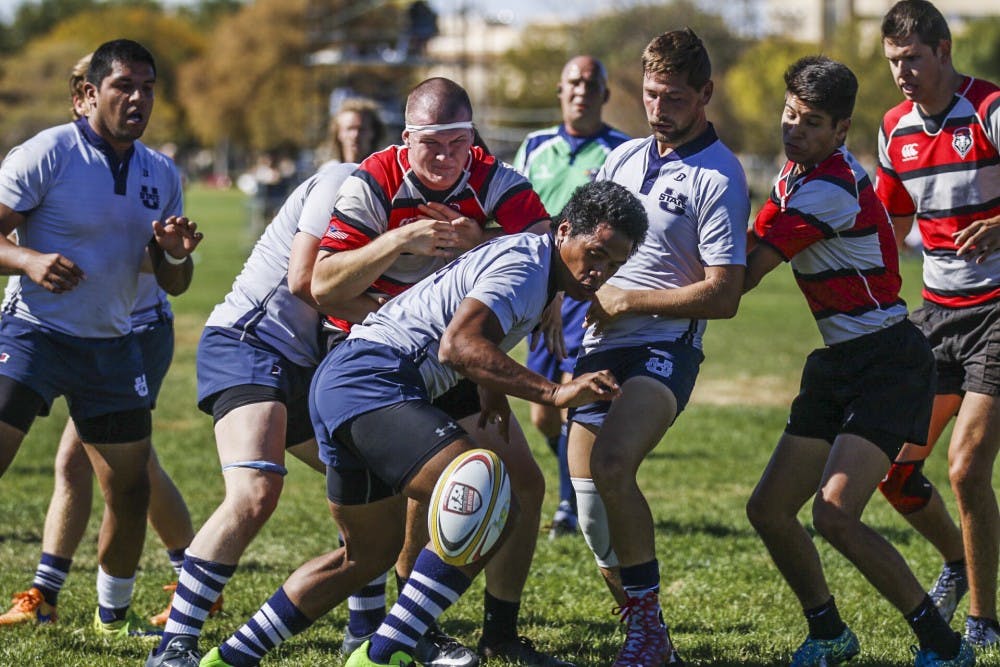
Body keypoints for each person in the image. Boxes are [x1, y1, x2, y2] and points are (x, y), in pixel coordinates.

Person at [197, 77, 574, 667]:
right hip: (373, 359)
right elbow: (320, 285)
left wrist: (484, 240)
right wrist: (403, 237)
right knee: (464, 489)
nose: (447, 156)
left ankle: (494, 633)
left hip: (451, 360)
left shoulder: (495, 180)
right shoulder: (373, 180)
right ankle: (396, 639)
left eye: (458, 142)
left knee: (519, 482)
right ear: (406, 139)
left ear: (473, 137)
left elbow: (550, 243)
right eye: (431, 144)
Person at [744, 54, 974, 667]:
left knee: (834, 515)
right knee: (768, 510)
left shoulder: (828, 188)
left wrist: (639, 284)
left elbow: (742, 274)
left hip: (887, 361)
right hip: (838, 361)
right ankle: (828, 632)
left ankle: (943, 645)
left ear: (842, 130)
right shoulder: (795, 175)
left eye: (813, 123)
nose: (795, 130)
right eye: (790, 115)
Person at [0, 51, 211, 632]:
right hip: (34, 334)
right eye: (123, 86)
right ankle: (49, 592)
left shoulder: (162, 173)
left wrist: (172, 253)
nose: (138, 98)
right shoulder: (47, 153)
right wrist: (28, 258)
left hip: (114, 344)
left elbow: (174, 282)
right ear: (86, 95)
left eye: (148, 87)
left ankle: (112, 618)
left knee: (131, 489)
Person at [564, 29, 748, 665]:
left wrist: (629, 300)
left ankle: (649, 633)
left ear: (704, 94)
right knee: (590, 513)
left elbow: (724, 295)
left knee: (614, 465)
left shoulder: (720, 175)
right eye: (649, 94)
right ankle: (642, 623)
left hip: (665, 346)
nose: (658, 108)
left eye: (672, 97)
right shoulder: (621, 159)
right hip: (598, 344)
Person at [143, 160, 359, 667]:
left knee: (371, 486)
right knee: (255, 490)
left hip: (311, 365)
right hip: (250, 342)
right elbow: (307, 282)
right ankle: (175, 644)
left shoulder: (421, 211)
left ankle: (365, 630)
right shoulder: (341, 182)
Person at [876, 0, 1000, 647]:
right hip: (934, 316)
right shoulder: (893, 129)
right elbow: (888, 227)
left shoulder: (990, 110)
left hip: (997, 311)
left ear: (944, 52)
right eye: (894, 61)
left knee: (966, 468)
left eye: (912, 59)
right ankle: (957, 560)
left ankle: (983, 620)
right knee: (892, 468)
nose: (902, 72)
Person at [514, 55, 630, 539]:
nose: (581, 90)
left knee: (569, 399)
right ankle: (571, 463)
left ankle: (567, 503)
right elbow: (519, 217)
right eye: (573, 82)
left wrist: (577, 291)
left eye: (591, 83)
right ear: (560, 91)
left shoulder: (621, 150)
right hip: (540, 291)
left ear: (604, 95)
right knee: (542, 412)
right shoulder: (534, 146)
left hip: (588, 294)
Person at [324, 97, 384, 165]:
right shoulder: (328, 171)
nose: (355, 135)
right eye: (350, 128)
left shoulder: (384, 171)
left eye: (361, 129)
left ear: (373, 132)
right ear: (338, 133)